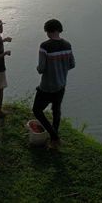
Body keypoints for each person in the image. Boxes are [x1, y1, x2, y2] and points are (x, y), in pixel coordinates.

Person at [32, 19, 75, 147]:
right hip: (61, 85)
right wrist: (60, 68)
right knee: (56, 111)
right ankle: (54, 140)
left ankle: (54, 136)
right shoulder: (67, 45)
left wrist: (39, 68)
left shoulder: (45, 46)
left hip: (46, 87)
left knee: (37, 110)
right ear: (59, 29)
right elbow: (72, 64)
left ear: (48, 31)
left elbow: (41, 69)